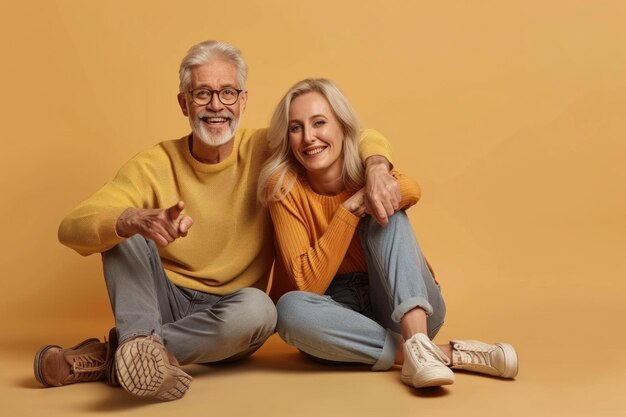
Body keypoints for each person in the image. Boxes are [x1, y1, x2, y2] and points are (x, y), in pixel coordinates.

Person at [33, 42, 397, 401]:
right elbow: (72, 226)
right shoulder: (152, 164)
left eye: (227, 92)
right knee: (123, 230)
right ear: (184, 103)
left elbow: (356, 135)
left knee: (261, 309)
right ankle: (138, 347)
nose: (215, 106)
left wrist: (378, 167)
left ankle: (120, 353)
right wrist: (132, 218)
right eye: (202, 93)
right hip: (161, 300)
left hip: (232, 317)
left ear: (243, 101)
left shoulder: (268, 149)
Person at [259, 78, 519, 389]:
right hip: (339, 323)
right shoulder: (283, 188)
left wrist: (375, 170)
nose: (309, 137)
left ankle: (419, 342)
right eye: (296, 128)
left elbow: (410, 189)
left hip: (403, 300)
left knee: (389, 215)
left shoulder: (367, 171)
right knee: (288, 309)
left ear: (341, 127)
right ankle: (438, 354)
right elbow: (306, 283)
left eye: (319, 123)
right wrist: (349, 209)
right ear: (287, 138)